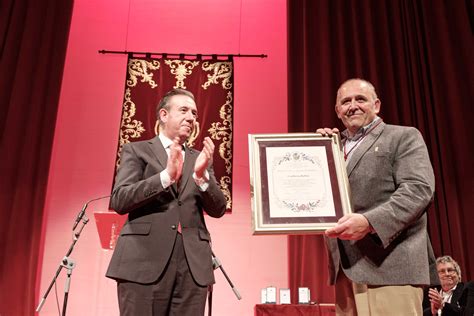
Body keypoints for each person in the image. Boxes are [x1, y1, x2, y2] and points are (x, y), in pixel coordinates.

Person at [317, 78, 436, 315]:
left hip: (391, 268)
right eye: (345, 101)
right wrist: (317, 151)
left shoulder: (403, 136)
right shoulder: (331, 145)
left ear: (377, 105)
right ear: (337, 110)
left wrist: (370, 223)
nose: (353, 105)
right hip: (346, 270)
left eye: (360, 99)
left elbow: (418, 190)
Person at [106, 88, 227, 315]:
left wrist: (202, 178)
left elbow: (218, 208)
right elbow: (120, 200)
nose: (191, 117)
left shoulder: (200, 159)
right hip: (143, 262)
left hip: (192, 266)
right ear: (163, 115)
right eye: (183, 110)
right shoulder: (137, 150)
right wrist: (165, 178)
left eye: (194, 113)